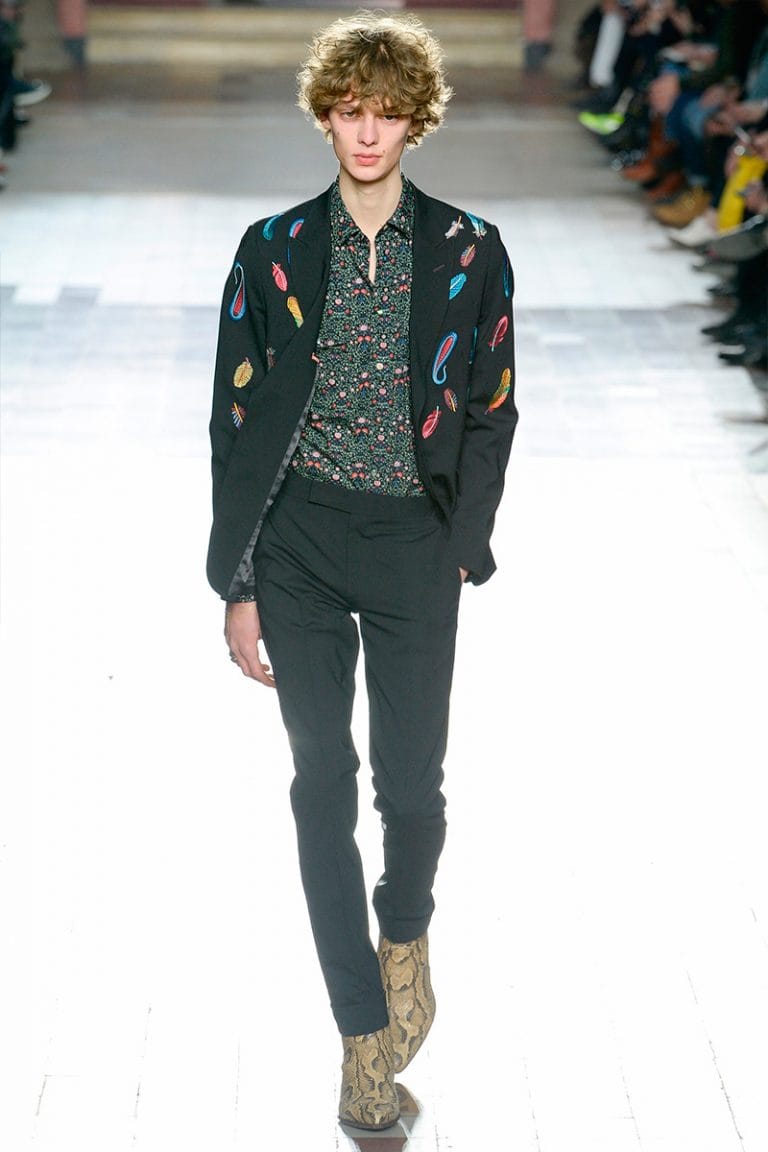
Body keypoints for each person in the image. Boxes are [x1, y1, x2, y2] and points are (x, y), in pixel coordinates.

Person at [206, 11, 517, 1133]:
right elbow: (234, 419)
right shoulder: (273, 249)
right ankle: (359, 1041)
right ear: (326, 117)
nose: (368, 131)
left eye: (387, 112)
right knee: (320, 781)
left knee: (411, 788)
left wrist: (462, 545)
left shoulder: (471, 250)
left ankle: (406, 936)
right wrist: (240, 581)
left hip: (412, 543)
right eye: (350, 110)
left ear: (416, 120)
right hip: (297, 538)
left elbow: (491, 404)